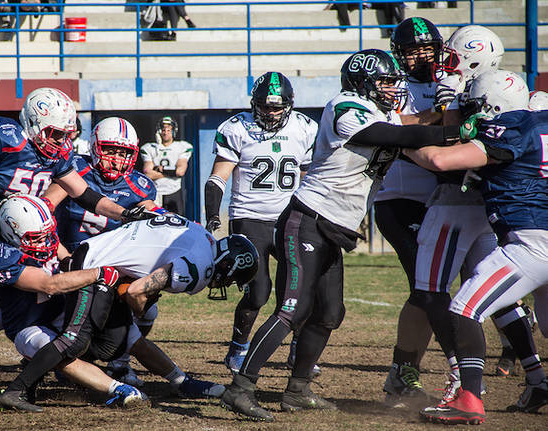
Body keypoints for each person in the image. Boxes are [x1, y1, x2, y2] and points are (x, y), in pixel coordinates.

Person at [219, 48, 465, 422]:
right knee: (291, 310)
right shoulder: (344, 106)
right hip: (308, 219)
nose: (391, 89)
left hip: (332, 228)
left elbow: (415, 135)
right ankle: (240, 388)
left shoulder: (380, 112)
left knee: (330, 313)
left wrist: (457, 120)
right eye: (384, 82)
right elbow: (391, 133)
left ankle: (298, 389)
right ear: (363, 83)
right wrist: (455, 130)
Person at [0, 87, 156, 403]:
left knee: (45, 301)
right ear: (33, 122)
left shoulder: (58, 153)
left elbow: (87, 195)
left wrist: (126, 212)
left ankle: (39, 361)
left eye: (66, 135)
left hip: (23, 232)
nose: (61, 142)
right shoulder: (6, 137)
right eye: (54, 133)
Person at [0, 209, 259, 412]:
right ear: (227, 266)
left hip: (107, 261)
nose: (225, 284)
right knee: (74, 341)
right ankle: (15, 390)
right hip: (98, 269)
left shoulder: (203, 235)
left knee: (124, 340)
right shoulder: (201, 267)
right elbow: (136, 292)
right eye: (231, 279)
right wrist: (143, 307)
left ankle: (181, 381)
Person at [402, 69, 548, 424]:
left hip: (531, 243)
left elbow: (440, 161)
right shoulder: (540, 119)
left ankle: (468, 398)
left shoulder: (509, 129)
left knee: (464, 308)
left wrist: (402, 144)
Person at [0, 194, 147, 411]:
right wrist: (98, 273)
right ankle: (117, 388)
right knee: (52, 348)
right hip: (28, 326)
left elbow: (70, 263)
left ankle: (179, 379)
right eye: (36, 238)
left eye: (46, 235)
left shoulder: (40, 237)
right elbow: (49, 285)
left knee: (127, 334)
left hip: (60, 312)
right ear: (11, 232)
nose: (44, 242)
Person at [203, 71, 317, 376]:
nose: (270, 113)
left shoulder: (305, 128)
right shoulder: (237, 128)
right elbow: (217, 178)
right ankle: (238, 349)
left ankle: (299, 350)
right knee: (258, 292)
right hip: (248, 218)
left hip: (290, 218)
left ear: (289, 105)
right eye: (265, 107)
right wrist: (213, 214)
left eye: (276, 107)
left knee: (301, 287)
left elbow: (308, 178)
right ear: (255, 104)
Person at [44, 116, 163, 387]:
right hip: (69, 259)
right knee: (58, 315)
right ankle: (57, 359)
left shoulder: (141, 186)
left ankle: (121, 363)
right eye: (110, 150)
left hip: (114, 267)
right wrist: (63, 255)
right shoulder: (75, 171)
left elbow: (149, 228)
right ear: (95, 147)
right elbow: (44, 214)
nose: (116, 158)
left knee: (147, 308)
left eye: (124, 153)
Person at [373, 16, 448, 408]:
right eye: (412, 50)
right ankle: (455, 373)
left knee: (435, 290)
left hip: (448, 198)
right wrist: (442, 112)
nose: (421, 56)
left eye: (426, 48)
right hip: (400, 198)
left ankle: (402, 373)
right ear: (398, 54)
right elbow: (394, 126)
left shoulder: (450, 80)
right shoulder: (392, 86)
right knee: (429, 288)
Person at [141, 117, 193, 215]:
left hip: (174, 191)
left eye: (169, 130)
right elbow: (148, 174)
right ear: (159, 131)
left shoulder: (182, 147)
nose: (166, 132)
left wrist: (160, 170)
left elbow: (180, 171)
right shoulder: (150, 148)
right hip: (156, 192)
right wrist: (170, 173)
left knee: (177, 223)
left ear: (174, 131)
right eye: (163, 130)